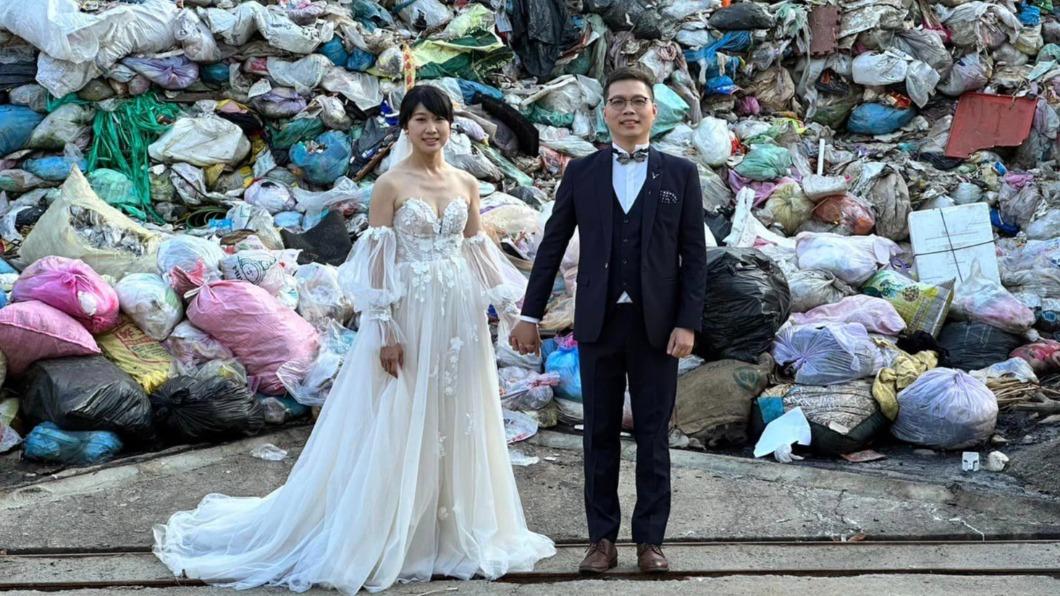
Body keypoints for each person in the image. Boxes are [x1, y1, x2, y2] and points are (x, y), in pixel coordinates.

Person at [153, 85, 555, 593]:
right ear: (406, 128)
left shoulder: (465, 183)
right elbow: (380, 259)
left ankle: (449, 529)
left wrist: (513, 309)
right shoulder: (389, 184)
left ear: (452, 126)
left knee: (457, 411)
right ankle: (394, 529)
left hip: (458, 315)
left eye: (441, 119)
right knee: (400, 410)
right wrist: (384, 328)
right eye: (422, 119)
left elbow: (477, 250)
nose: (432, 129)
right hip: (408, 311)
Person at [509, 67, 707, 575]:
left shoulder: (680, 175)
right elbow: (552, 245)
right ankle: (601, 540)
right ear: (606, 112)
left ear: (653, 111)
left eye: (638, 101)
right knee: (597, 435)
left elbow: (693, 256)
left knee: (653, 436)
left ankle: (650, 542)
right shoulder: (582, 173)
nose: (628, 109)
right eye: (618, 101)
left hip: (657, 327)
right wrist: (529, 315)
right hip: (596, 323)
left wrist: (687, 323)